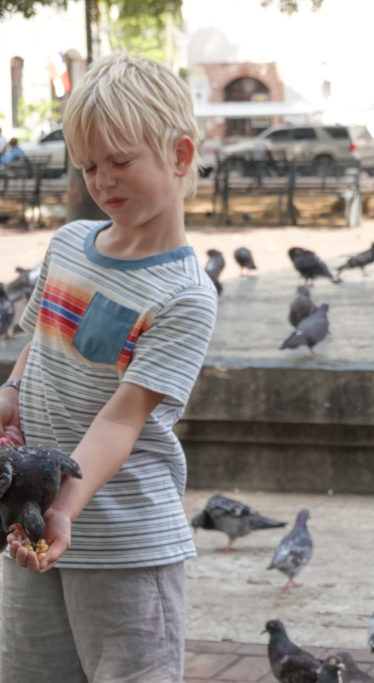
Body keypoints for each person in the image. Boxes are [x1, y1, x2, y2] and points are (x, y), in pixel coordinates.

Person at [0, 53, 217, 682]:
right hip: (30, 521)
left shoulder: (184, 297)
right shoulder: (68, 243)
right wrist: (11, 396)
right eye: (90, 165)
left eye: (120, 161)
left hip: (125, 542)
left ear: (179, 156)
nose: (103, 180)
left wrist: (67, 507)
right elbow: (36, 350)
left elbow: (121, 423)